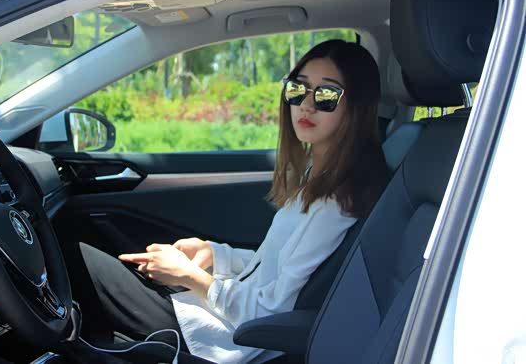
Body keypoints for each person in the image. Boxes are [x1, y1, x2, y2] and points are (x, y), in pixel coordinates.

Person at [71, 39, 390, 363]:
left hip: (230, 339)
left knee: (76, 255)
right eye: (298, 89)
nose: (306, 105)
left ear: (356, 106)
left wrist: (189, 276)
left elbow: (272, 311)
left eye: (326, 95)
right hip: (223, 314)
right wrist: (215, 254)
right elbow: (275, 267)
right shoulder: (318, 176)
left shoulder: (335, 204)